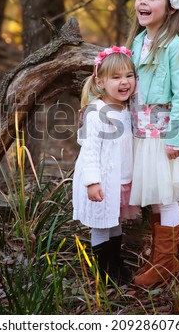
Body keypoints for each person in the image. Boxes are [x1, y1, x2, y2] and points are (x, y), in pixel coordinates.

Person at [126, 0, 179, 287]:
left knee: (166, 197)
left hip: (164, 134)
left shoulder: (173, 46)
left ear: (169, 9)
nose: (144, 2)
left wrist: (173, 138)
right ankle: (161, 258)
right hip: (141, 133)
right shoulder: (138, 42)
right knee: (154, 198)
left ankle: (167, 261)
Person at [72, 45, 140, 285]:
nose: (124, 83)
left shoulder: (129, 109)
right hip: (101, 181)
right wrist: (92, 182)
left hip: (120, 180)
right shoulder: (96, 112)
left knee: (115, 222)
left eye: (129, 76)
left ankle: (116, 261)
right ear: (100, 83)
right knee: (101, 223)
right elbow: (89, 151)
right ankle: (104, 270)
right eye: (116, 77)